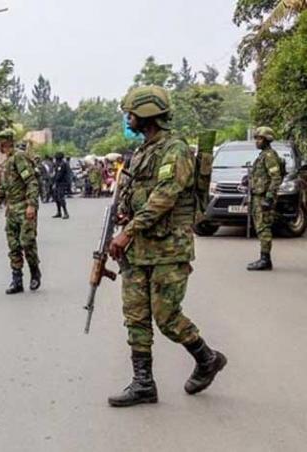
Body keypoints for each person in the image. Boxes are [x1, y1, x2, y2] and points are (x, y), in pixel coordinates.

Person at [107, 85, 227, 407]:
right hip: (139, 250)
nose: (128, 118)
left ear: (146, 114)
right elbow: (142, 195)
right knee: (136, 316)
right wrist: (125, 214)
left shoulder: (175, 151)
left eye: (131, 113)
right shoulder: (144, 151)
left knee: (166, 317)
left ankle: (207, 358)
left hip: (168, 250)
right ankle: (143, 383)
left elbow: (164, 197)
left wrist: (127, 231)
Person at [0, 130, 41, 294]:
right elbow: (3, 188)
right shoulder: (7, 162)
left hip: (24, 208)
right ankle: (17, 280)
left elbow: (31, 181)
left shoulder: (19, 157)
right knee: (14, 246)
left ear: (6, 142)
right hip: (11, 211)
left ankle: (35, 273)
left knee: (27, 242)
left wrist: (31, 205)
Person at [246, 126, 283, 271]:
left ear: (267, 140)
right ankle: (264, 258)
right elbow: (263, 176)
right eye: (256, 138)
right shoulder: (263, 155)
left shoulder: (269, 156)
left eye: (259, 138)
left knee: (264, 228)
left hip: (263, 197)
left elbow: (276, 178)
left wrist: (268, 198)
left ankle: (265, 259)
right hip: (258, 196)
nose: (257, 141)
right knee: (260, 227)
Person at [51, 152, 71, 219]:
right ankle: (59, 212)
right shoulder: (58, 164)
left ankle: (66, 213)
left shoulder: (62, 164)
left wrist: (55, 182)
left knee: (60, 198)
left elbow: (59, 175)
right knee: (56, 197)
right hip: (58, 183)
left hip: (61, 183)